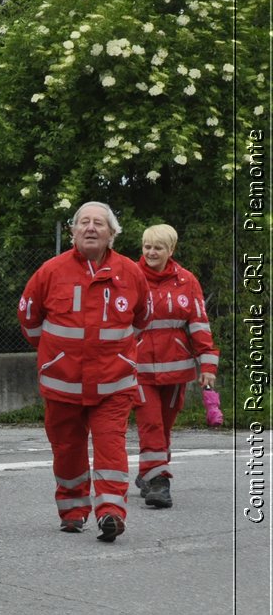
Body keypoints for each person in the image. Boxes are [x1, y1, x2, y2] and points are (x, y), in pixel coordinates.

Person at [18, 201, 152, 540]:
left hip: (113, 384)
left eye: (99, 224)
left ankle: (111, 512)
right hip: (62, 384)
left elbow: (141, 320)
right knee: (67, 449)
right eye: (84, 223)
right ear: (74, 231)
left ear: (112, 235)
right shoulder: (50, 271)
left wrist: (116, 357)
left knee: (111, 446)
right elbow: (29, 320)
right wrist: (56, 356)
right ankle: (73, 510)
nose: (91, 228)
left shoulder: (131, 273)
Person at [134, 223, 217, 508]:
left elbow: (199, 324)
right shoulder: (130, 277)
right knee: (151, 424)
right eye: (147, 247)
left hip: (176, 369)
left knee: (165, 427)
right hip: (138, 369)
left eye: (158, 247)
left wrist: (207, 365)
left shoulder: (187, 281)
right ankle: (159, 482)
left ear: (171, 250)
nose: (151, 252)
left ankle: (148, 472)